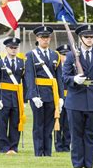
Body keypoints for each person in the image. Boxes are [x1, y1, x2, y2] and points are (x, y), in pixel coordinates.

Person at [63, 25, 93, 168]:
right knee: (76, 134)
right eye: (86, 37)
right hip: (76, 99)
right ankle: (77, 163)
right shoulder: (72, 55)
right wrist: (74, 80)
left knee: (90, 134)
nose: (89, 40)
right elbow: (64, 77)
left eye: (91, 37)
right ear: (81, 38)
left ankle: (89, 163)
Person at [25, 26, 64, 157]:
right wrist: (33, 95)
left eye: (47, 37)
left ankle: (47, 152)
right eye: (42, 37)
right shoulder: (31, 55)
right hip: (38, 94)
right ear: (37, 38)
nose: (45, 40)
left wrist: (60, 96)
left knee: (49, 125)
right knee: (38, 125)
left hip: (52, 94)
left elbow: (59, 77)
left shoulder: (55, 55)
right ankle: (38, 151)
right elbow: (29, 77)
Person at [0, 37, 25, 154]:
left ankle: (14, 147)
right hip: (3, 97)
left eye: (15, 48)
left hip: (16, 97)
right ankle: (4, 147)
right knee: (3, 124)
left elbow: (25, 82)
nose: (14, 50)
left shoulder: (21, 62)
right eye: (11, 48)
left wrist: (24, 100)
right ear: (6, 49)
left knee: (15, 123)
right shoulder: (0, 63)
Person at [54, 44, 71, 152]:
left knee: (68, 123)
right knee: (58, 121)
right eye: (62, 54)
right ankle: (58, 144)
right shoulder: (56, 67)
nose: (65, 57)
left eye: (66, 54)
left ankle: (67, 144)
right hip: (59, 97)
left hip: (70, 96)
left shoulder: (71, 66)